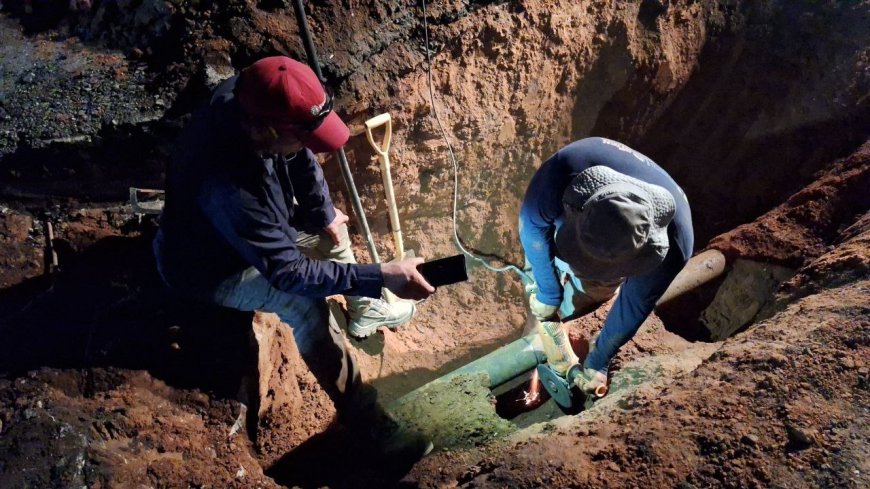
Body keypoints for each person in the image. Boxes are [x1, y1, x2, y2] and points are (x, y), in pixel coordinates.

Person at [153, 56, 435, 467]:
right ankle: (369, 427)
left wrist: (323, 214)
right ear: (265, 132)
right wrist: (380, 276)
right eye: (301, 137)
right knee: (303, 304)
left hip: (254, 228)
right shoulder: (230, 185)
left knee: (330, 227)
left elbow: (298, 155)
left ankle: (364, 311)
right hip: (210, 269)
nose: (307, 145)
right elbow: (289, 272)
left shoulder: (254, 97)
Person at [519, 137, 693, 395]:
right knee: (540, 285)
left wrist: (600, 359)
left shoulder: (674, 246)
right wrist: (548, 291)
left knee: (582, 298)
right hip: (570, 222)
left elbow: (635, 303)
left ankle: (558, 333)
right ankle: (535, 333)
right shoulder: (564, 172)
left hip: (604, 253)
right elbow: (532, 226)